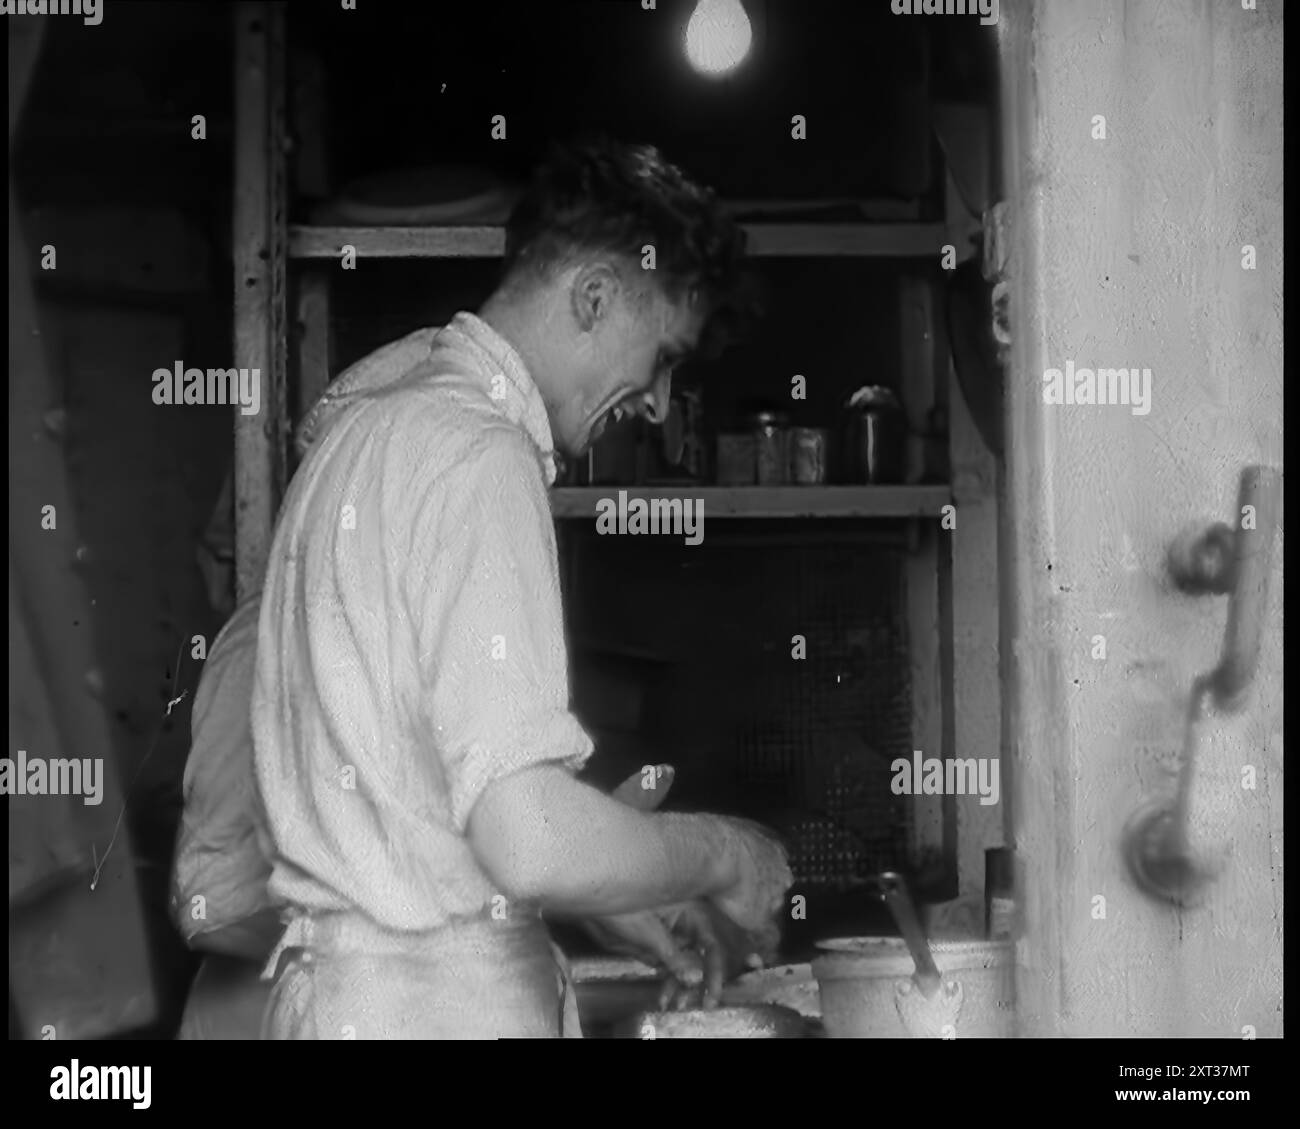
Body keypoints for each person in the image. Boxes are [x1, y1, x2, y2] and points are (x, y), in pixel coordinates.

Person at [201, 137, 791, 1039]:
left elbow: (418, 823)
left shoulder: (357, 445)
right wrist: (723, 853)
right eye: (664, 356)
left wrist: (622, 891)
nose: (659, 401)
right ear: (595, 295)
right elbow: (528, 837)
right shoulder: (480, 455)